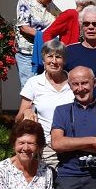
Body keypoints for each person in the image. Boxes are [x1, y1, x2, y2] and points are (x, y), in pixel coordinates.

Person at [16, 39, 74, 167]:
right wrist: (27, 111)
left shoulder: (74, 81)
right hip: (48, 148)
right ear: (43, 60)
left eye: (58, 57)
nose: (54, 61)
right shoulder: (34, 83)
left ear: (64, 61)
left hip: (72, 144)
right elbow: (18, 119)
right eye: (50, 56)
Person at [16, 0, 61, 86]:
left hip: (45, 52)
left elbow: (61, 18)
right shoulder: (25, 1)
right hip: (28, 53)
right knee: (29, 87)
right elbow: (23, 27)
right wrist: (44, 36)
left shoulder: (50, 4)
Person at [64, 6, 96, 97]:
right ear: (81, 26)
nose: (90, 27)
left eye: (95, 24)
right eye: (86, 24)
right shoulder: (69, 51)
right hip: (78, 107)